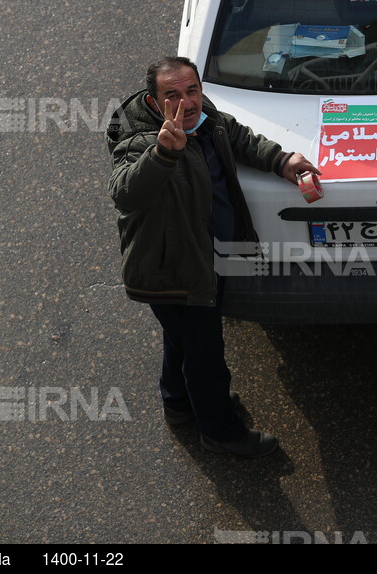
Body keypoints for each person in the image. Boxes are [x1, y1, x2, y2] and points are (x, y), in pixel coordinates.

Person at [107, 56, 320, 458]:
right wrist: (162, 153)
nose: (186, 103)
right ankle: (221, 432)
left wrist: (280, 160)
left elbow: (237, 137)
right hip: (175, 270)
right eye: (173, 95)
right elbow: (125, 193)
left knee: (183, 341)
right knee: (205, 356)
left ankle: (178, 404)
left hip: (210, 257)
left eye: (192, 91)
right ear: (154, 103)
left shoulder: (203, 115)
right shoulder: (140, 140)